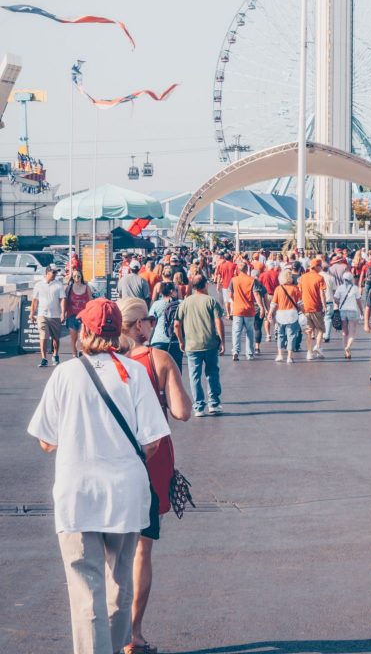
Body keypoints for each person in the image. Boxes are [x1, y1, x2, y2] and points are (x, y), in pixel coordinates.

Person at [27, 298, 170, 654]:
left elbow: (47, 440)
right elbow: (153, 441)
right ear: (117, 330)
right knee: (120, 579)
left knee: (86, 585)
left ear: (85, 331)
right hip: (125, 494)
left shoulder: (65, 374)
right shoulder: (135, 372)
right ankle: (118, 645)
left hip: (78, 494)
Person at [118, 297, 192, 654]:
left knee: (111, 549)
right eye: (149, 319)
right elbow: (182, 412)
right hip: (153, 460)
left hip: (114, 457)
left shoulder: (104, 363)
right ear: (137, 327)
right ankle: (134, 635)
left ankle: (108, 630)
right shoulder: (158, 359)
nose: (152, 324)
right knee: (141, 552)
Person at [174, 273, 225, 417]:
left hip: (191, 344)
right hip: (210, 343)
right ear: (205, 285)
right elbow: (218, 321)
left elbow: (176, 324)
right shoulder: (211, 301)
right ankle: (214, 403)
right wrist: (222, 341)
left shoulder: (185, 302)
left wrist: (181, 341)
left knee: (194, 376)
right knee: (212, 373)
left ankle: (199, 406)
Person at [228, 260, 265, 360]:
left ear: (238, 269)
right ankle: (249, 353)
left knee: (236, 332)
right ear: (247, 269)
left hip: (237, 310)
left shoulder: (233, 280)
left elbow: (230, 295)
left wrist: (235, 301)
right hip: (249, 310)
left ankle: (235, 351)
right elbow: (256, 294)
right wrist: (261, 307)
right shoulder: (252, 280)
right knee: (249, 332)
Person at [30, 265, 66, 367]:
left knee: (56, 338)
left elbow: (62, 299)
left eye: (56, 272)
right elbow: (35, 300)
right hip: (42, 315)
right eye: (54, 272)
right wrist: (32, 313)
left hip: (55, 315)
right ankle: (44, 358)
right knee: (43, 336)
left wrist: (63, 313)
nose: (55, 274)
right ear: (47, 272)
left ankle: (55, 355)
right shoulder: (38, 285)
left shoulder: (59, 284)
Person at [270, 268, 303, 364]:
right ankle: (289, 357)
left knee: (280, 334)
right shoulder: (295, 288)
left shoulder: (278, 289)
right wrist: (303, 311)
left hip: (280, 314)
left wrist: (269, 313)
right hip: (292, 314)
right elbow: (300, 303)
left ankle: (280, 355)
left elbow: (273, 303)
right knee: (291, 336)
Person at [149, 281, 184, 371]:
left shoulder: (156, 304)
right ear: (172, 291)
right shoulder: (181, 303)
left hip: (158, 341)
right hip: (175, 340)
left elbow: (151, 322)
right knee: (176, 370)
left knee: (158, 370)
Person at [299, 257, 327, 360]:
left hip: (305, 307)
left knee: (309, 331)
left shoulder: (303, 277)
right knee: (320, 329)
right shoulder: (320, 278)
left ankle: (309, 352)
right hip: (316, 306)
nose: (321, 268)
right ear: (317, 267)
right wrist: (324, 305)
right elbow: (322, 293)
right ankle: (318, 346)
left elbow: (300, 291)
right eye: (320, 266)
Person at [334, 270, 364, 359]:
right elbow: (358, 301)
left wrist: (338, 304)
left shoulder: (340, 288)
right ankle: (348, 347)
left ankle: (346, 351)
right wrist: (361, 311)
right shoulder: (355, 288)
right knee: (352, 332)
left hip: (342, 310)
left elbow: (335, 299)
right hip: (353, 311)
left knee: (344, 333)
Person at [63, 269, 92, 358]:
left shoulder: (86, 287)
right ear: (72, 277)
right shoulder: (69, 288)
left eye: (78, 276)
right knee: (73, 337)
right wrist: (63, 313)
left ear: (81, 277)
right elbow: (64, 300)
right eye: (74, 276)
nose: (77, 278)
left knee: (83, 336)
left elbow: (91, 301)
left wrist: (91, 313)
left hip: (84, 315)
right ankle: (74, 354)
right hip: (72, 315)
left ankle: (82, 351)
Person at [213, 252, 236, 317]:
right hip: (233, 284)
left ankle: (228, 314)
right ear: (231, 258)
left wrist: (217, 285)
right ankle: (232, 312)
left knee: (226, 300)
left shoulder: (221, 265)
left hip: (225, 284)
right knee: (232, 299)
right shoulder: (234, 265)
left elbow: (219, 276)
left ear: (224, 258)